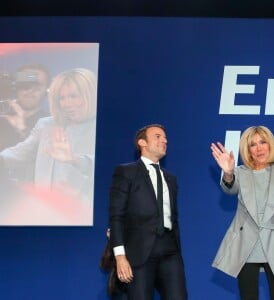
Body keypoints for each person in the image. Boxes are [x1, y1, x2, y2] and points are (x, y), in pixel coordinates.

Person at [210, 125, 274, 300]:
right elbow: (229, 188)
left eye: (263, 142)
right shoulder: (239, 173)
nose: (259, 148)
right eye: (253, 144)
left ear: (270, 145)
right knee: (248, 296)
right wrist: (228, 173)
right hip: (247, 245)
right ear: (247, 150)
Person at [0, 68, 97, 225]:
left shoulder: (101, 127)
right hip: (43, 212)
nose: (67, 104)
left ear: (90, 95)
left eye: (73, 96)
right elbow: (20, 153)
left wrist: (74, 159)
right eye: (62, 98)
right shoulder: (46, 124)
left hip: (81, 216)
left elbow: (102, 165)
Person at [109, 124, 188, 300]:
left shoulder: (171, 179)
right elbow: (116, 216)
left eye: (165, 138)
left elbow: (174, 219)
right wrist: (120, 257)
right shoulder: (126, 172)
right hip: (139, 252)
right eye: (158, 137)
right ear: (142, 142)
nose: (164, 140)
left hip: (170, 251)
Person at [0, 63, 51, 181]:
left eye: (37, 86)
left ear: (46, 91)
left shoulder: (51, 124)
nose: (30, 91)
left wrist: (22, 129)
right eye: (25, 85)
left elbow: (46, 159)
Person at [100, 228, 128, 300]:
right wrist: (112, 242)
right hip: (118, 288)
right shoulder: (116, 244)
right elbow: (105, 265)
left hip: (137, 286)